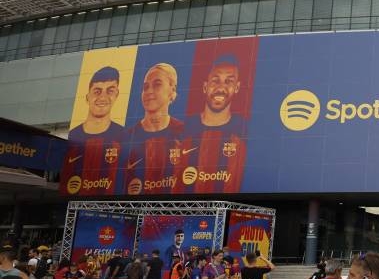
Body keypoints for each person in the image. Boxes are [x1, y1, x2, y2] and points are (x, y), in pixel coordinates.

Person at [175, 55, 247, 194]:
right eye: (215, 80)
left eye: (228, 82)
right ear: (205, 86)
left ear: (237, 87)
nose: (221, 88)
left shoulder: (244, 130)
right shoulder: (183, 129)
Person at [61, 65, 125, 196]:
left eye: (110, 91)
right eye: (97, 91)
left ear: (117, 95)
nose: (103, 97)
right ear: (87, 96)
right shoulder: (73, 135)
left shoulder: (124, 136)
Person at [123, 62, 185, 196]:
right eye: (145, 87)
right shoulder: (127, 137)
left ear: (172, 91)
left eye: (157, 84)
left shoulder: (185, 133)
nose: (149, 91)